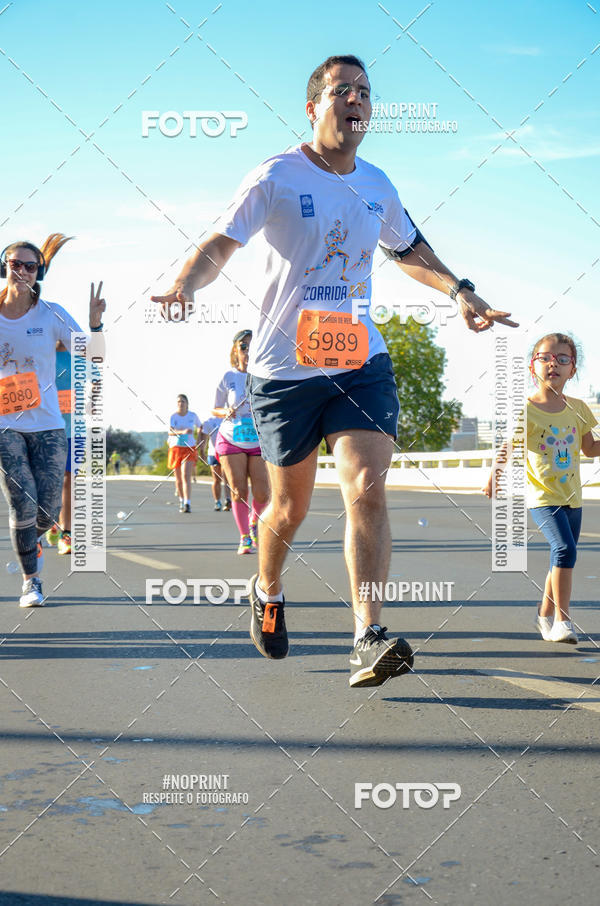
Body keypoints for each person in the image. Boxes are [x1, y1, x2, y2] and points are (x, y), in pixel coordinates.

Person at [152, 54, 517, 687]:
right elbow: (221, 242)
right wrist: (186, 280)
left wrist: (459, 290)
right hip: (281, 371)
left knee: (365, 488)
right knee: (288, 509)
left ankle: (367, 635)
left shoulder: (377, 183)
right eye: (343, 90)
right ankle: (267, 588)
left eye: (366, 93)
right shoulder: (276, 175)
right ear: (313, 106)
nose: (356, 101)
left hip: (358, 359)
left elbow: (409, 250)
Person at [0, 234, 105, 607]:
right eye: (16, 263)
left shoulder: (52, 313)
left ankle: (35, 540)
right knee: (22, 504)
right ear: (5, 267)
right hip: (5, 427)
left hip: (47, 425)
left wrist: (94, 326)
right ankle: (32, 581)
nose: (23, 271)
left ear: (38, 271)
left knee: (47, 511)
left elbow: (91, 355)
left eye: (31, 265)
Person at [484, 333, 599, 644]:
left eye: (563, 359)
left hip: (573, 497)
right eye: (545, 358)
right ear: (532, 367)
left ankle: (544, 615)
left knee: (560, 557)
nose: (554, 364)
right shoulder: (528, 410)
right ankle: (563, 621)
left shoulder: (578, 408)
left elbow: (590, 448)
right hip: (542, 497)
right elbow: (508, 447)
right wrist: (495, 476)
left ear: (573, 370)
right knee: (564, 550)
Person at [212, 330, 269, 553]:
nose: (247, 350)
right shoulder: (229, 377)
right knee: (238, 489)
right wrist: (224, 410)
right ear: (235, 350)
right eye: (243, 346)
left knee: (263, 492)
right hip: (231, 438)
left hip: (258, 438)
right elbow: (214, 408)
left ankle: (254, 521)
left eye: (251, 346)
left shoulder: (265, 375)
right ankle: (244, 537)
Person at [167, 394, 202, 513]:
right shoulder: (173, 416)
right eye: (178, 402)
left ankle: (188, 503)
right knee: (178, 479)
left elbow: (200, 427)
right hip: (176, 447)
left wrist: (199, 436)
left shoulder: (192, 415)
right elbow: (170, 431)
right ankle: (181, 500)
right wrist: (182, 432)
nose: (180, 404)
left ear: (187, 403)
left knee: (186, 476)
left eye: (182, 401)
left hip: (189, 448)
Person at [202, 413, 232, 511]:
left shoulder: (229, 418)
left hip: (226, 452)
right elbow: (204, 437)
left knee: (226, 477)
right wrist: (202, 450)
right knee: (216, 479)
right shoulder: (209, 421)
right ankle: (217, 501)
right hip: (213, 453)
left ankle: (228, 500)